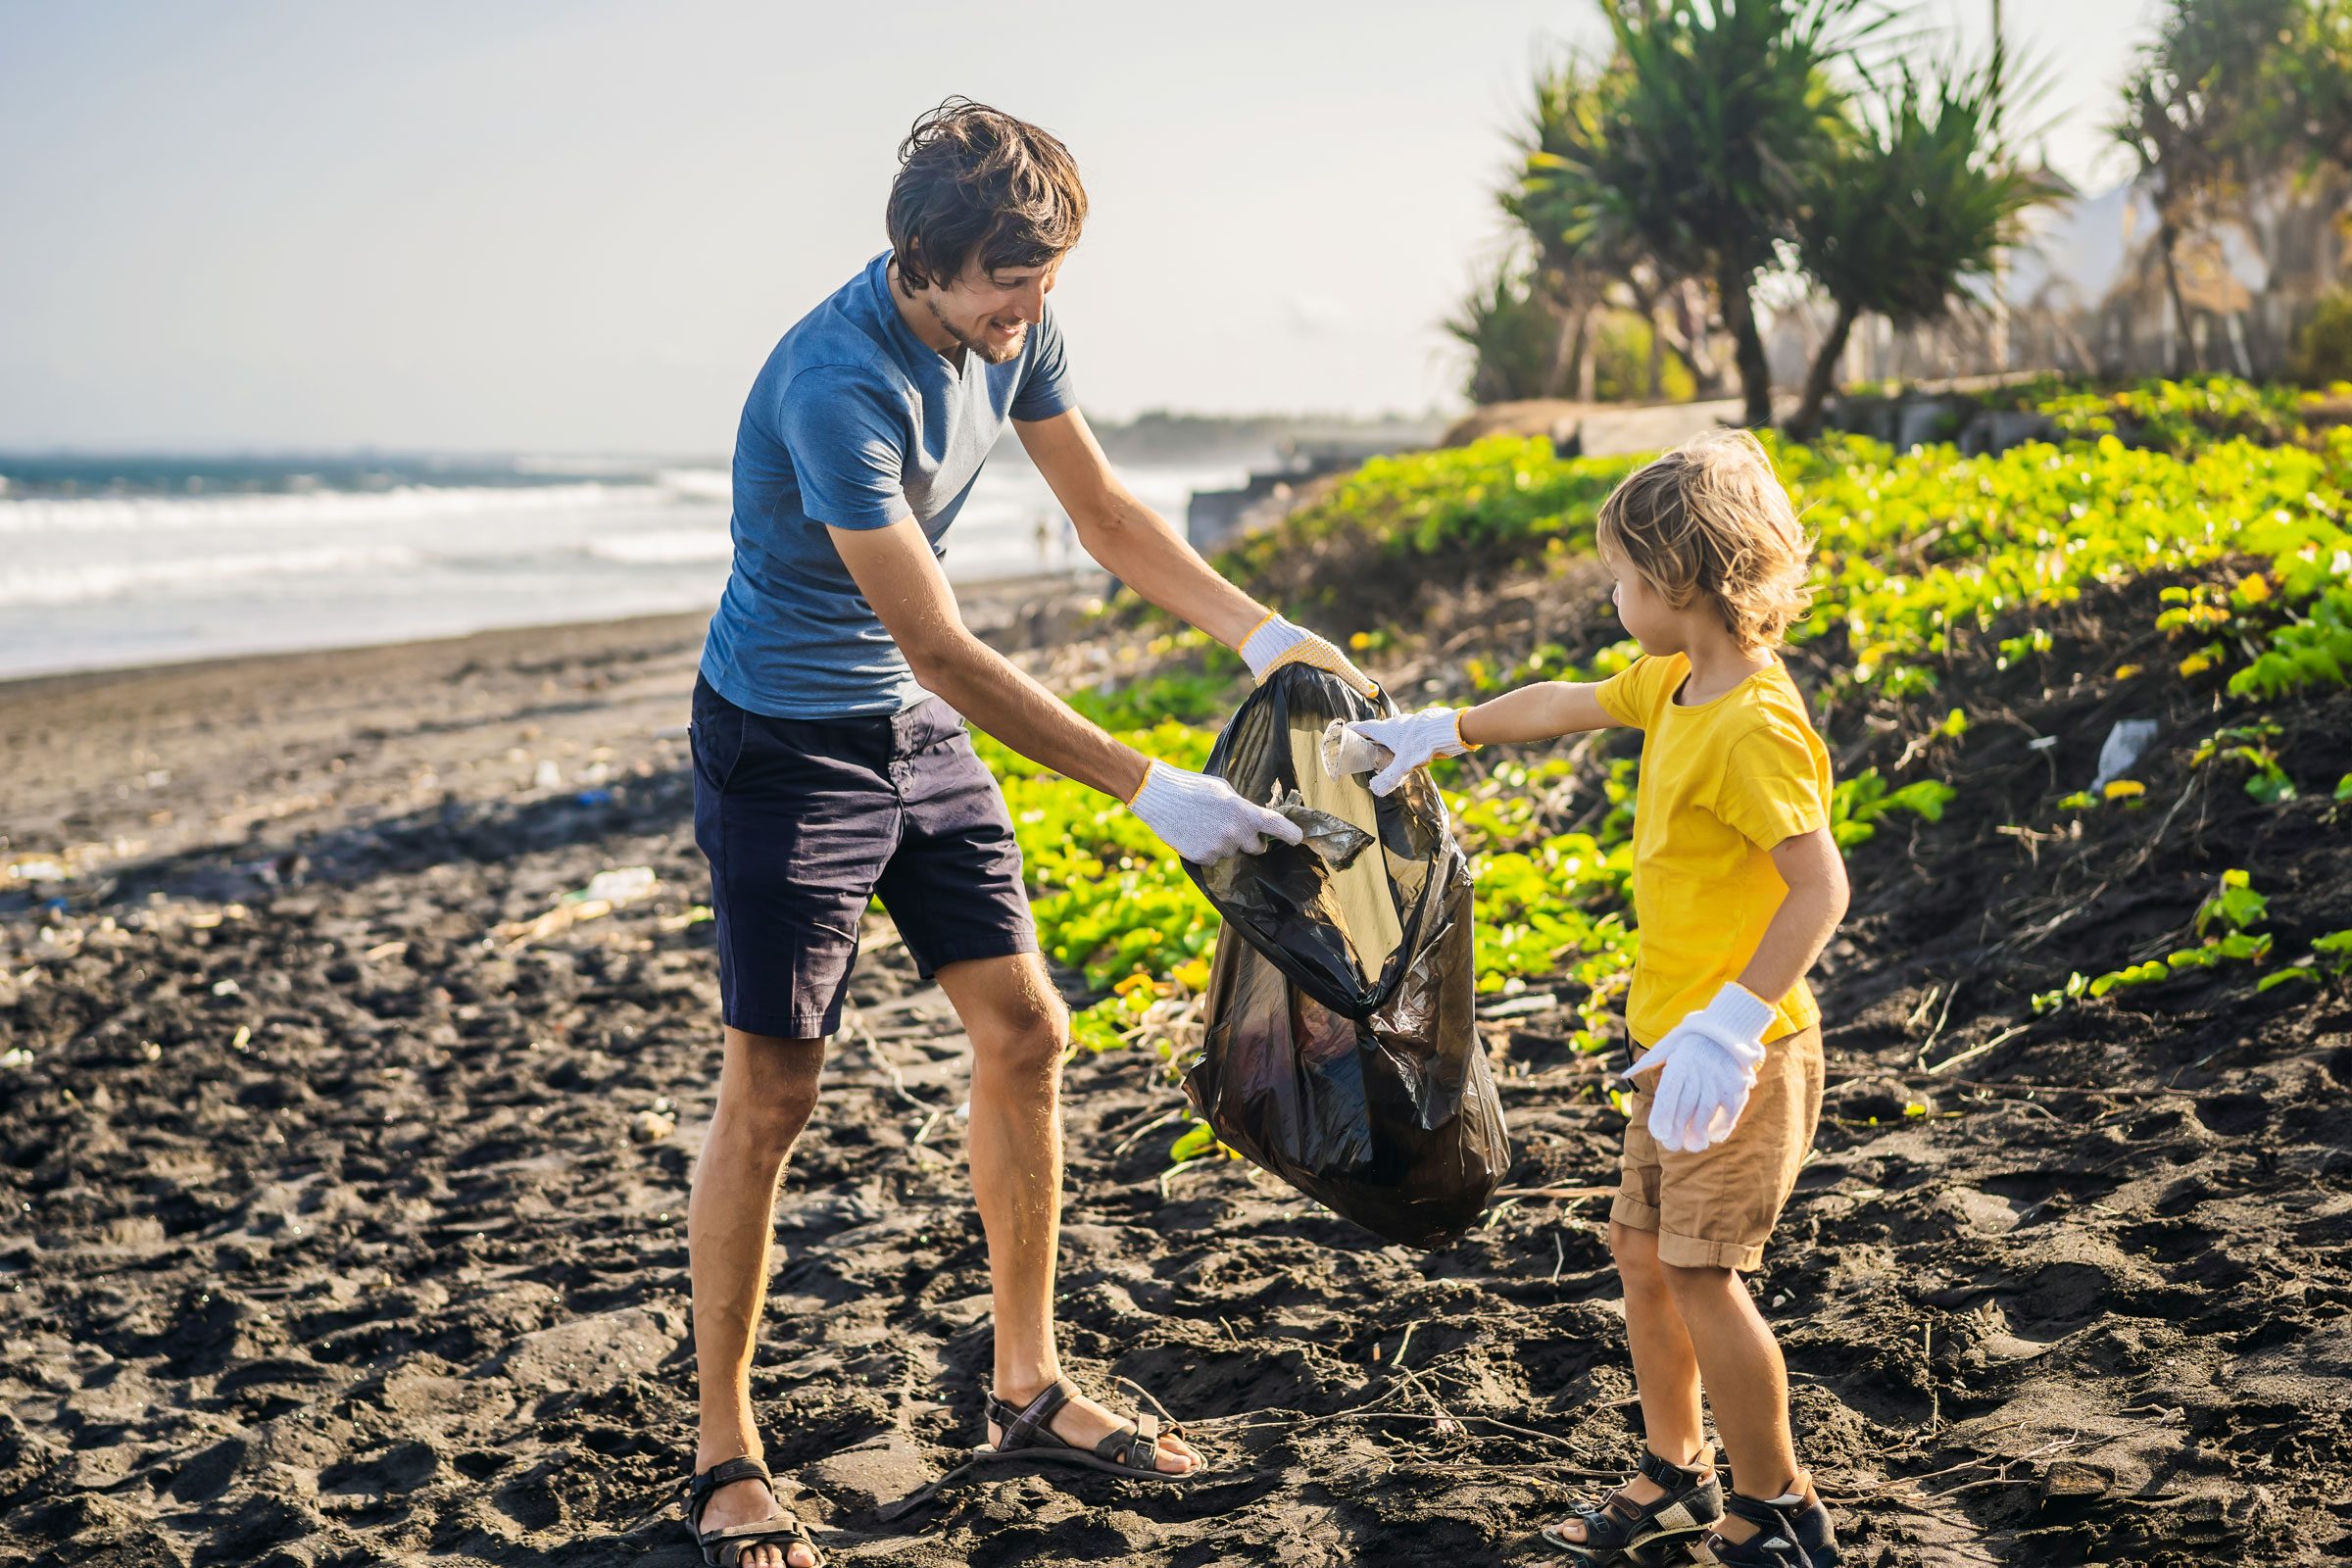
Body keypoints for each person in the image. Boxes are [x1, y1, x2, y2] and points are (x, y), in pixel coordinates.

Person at [680, 98, 1374, 1568]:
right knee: (775, 1093)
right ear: (921, 260)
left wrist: (1262, 633)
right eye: (1006, 283)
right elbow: (939, 647)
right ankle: (726, 1456)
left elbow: (1105, 515)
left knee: (1028, 1033)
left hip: (906, 724)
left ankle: (1025, 1387)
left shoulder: (1014, 322)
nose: (1031, 309)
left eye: (1044, 279)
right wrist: (1157, 792)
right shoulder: (832, 386)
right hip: (788, 743)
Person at [1348, 430, 1848, 1568]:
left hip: (1741, 1055)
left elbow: (1820, 890)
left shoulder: (1755, 725)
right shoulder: (1677, 682)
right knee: (1639, 1250)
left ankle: (1779, 1507)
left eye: (1622, 576)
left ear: (1680, 582)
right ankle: (1678, 1471)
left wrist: (1731, 1027)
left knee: (1704, 1274)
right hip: (1670, 1046)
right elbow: (1566, 701)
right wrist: (1441, 732)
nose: (1612, 594)